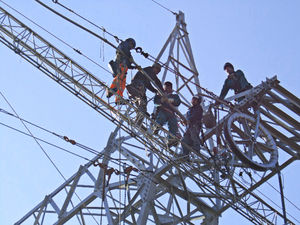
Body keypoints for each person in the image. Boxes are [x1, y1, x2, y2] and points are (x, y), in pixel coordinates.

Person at [107, 38, 136, 104]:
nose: (131, 48)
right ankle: (111, 90)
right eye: (132, 46)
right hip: (121, 65)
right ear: (130, 42)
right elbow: (124, 52)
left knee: (122, 84)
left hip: (124, 68)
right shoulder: (124, 45)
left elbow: (128, 63)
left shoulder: (127, 50)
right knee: (118, 79)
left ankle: (118, 99)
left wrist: (132, 66)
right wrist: (130, 58)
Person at [153, 81, 181, 147]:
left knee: (173, 124)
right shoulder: (160, 94)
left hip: (171, 113)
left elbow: (178, 102)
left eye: (168, 88)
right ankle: (156, 127)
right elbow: (155, 102)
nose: (167, 90)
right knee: (161, 117)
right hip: (163, 111)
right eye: (165, 88)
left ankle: (171, 140)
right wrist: (161, 100)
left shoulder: (174, 96)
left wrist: (171, 100)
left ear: (171, 89)